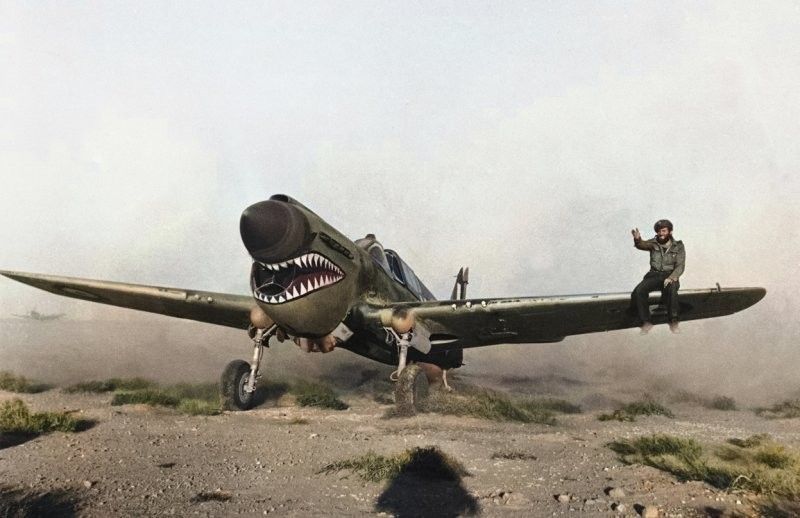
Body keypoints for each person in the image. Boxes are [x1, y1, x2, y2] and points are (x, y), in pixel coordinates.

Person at [630, 219, 685, 334]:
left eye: (664, 231)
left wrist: (671, 277)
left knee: (672, 289)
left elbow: (680, 265)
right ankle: (646, 322)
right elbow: (642, 244)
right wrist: (637, 239)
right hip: (654, 275)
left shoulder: (678, 246)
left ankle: (674, 321)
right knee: (639, 291)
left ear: (670, 232)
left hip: (670, 275)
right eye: (659, 231)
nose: (661, 233)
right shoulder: (653, 243)